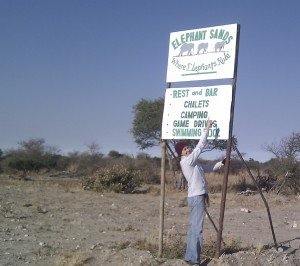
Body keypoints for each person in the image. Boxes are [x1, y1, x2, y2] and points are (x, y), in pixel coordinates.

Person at [175, 119, 224, 265]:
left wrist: (222, 163)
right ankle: (194, 260)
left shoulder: (193, 163)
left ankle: (190, 257)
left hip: (196, 197)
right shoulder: (186, 161)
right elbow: (200, 146)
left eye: (187, 147)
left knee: (193, 228)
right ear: (181, 153)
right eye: (184, 149)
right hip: (196, 197)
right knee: (197, 229)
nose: (188, 149)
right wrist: (207, 128)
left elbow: (208, 168)